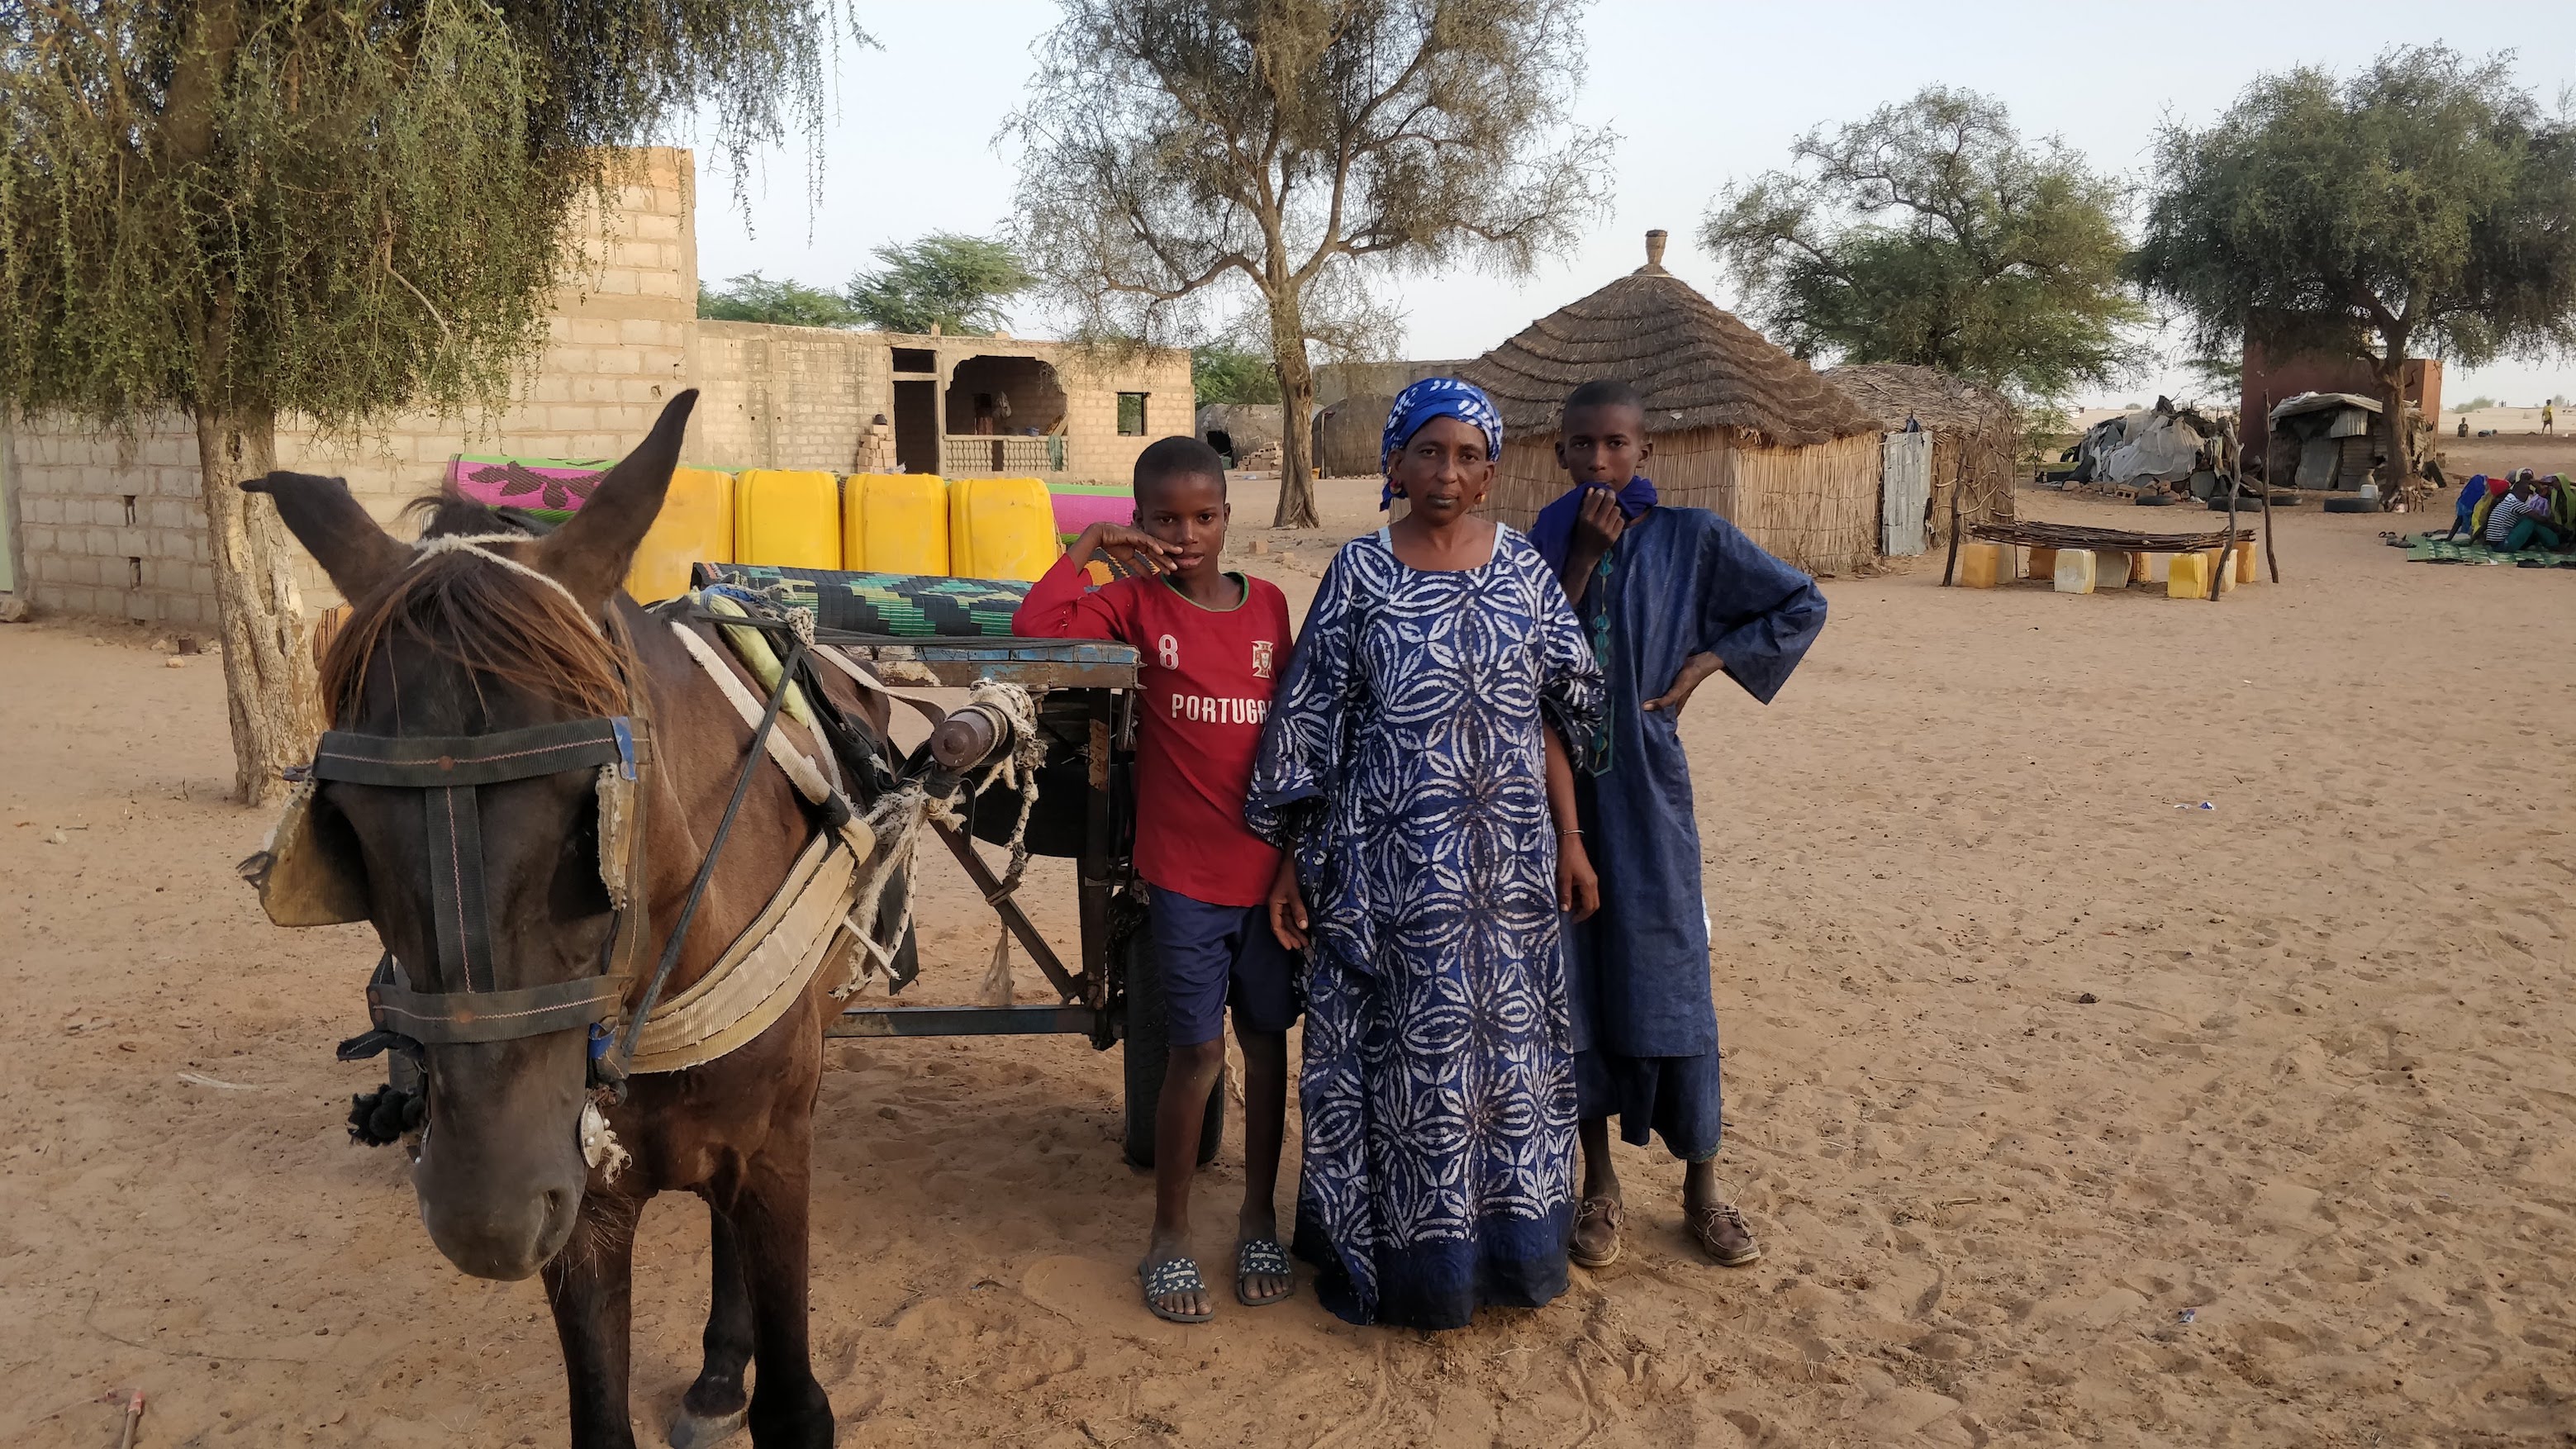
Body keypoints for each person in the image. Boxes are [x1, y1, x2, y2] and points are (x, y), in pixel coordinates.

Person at [1248, 378, 1604, 1330]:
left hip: (1511, 869)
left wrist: (1571, 840)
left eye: (1467, 456)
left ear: (1490, 473)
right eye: (1428, 451)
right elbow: (1313, 720)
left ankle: (1510, 1253)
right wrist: (1290, 858)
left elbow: (1556, 716)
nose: (1446, 472)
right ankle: (1404, 1264)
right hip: (1389, 868)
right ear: (1394, 462)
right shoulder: (1359, 573)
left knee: (1506, 1062)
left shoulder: (1527, 572)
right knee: (1407, 1059)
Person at [1528, 379, 1827, 1271]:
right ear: (1560, 452)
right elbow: (1532, 647)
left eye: (1615, 444)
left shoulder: (1693, 540)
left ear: (1644, 451)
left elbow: (1798, 602)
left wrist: (1711, 661)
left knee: (1671, 973)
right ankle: (1601, 1188)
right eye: (1580, 445)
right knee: (1575, 980)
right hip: (1555, 794)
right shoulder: (1536, 546)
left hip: (1651, 794)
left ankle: (1703, 1186)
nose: (1598, 461)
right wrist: (1579, 555)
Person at [1010, 435, 1299, 1324]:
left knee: (1264, 1042)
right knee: (1194, 1053)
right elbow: (1035, 633)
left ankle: (1256, 1215)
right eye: (1164, 518)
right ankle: (1169, 1231)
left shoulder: (1271, 609)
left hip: (1268, 877)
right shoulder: (1132, 605)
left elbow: (1297, 740)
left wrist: (1292, 860)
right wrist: (1089, 548)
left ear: (1226, 515)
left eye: (1204, 515)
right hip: (1182, 877)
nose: (1186, 533)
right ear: (1140, 521)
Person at [2487, 475, 2566, 551]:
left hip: (2496, 545)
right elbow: (2540, 519)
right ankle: (2554, 545)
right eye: (2527, 494)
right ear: (2522, 493)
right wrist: (2556, 526)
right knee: (2531, 520)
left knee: (2525, 520)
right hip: (2503, 545)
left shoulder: (2507, 501)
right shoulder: (2516, 503)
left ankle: (2552, 542)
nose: (2527, 497)